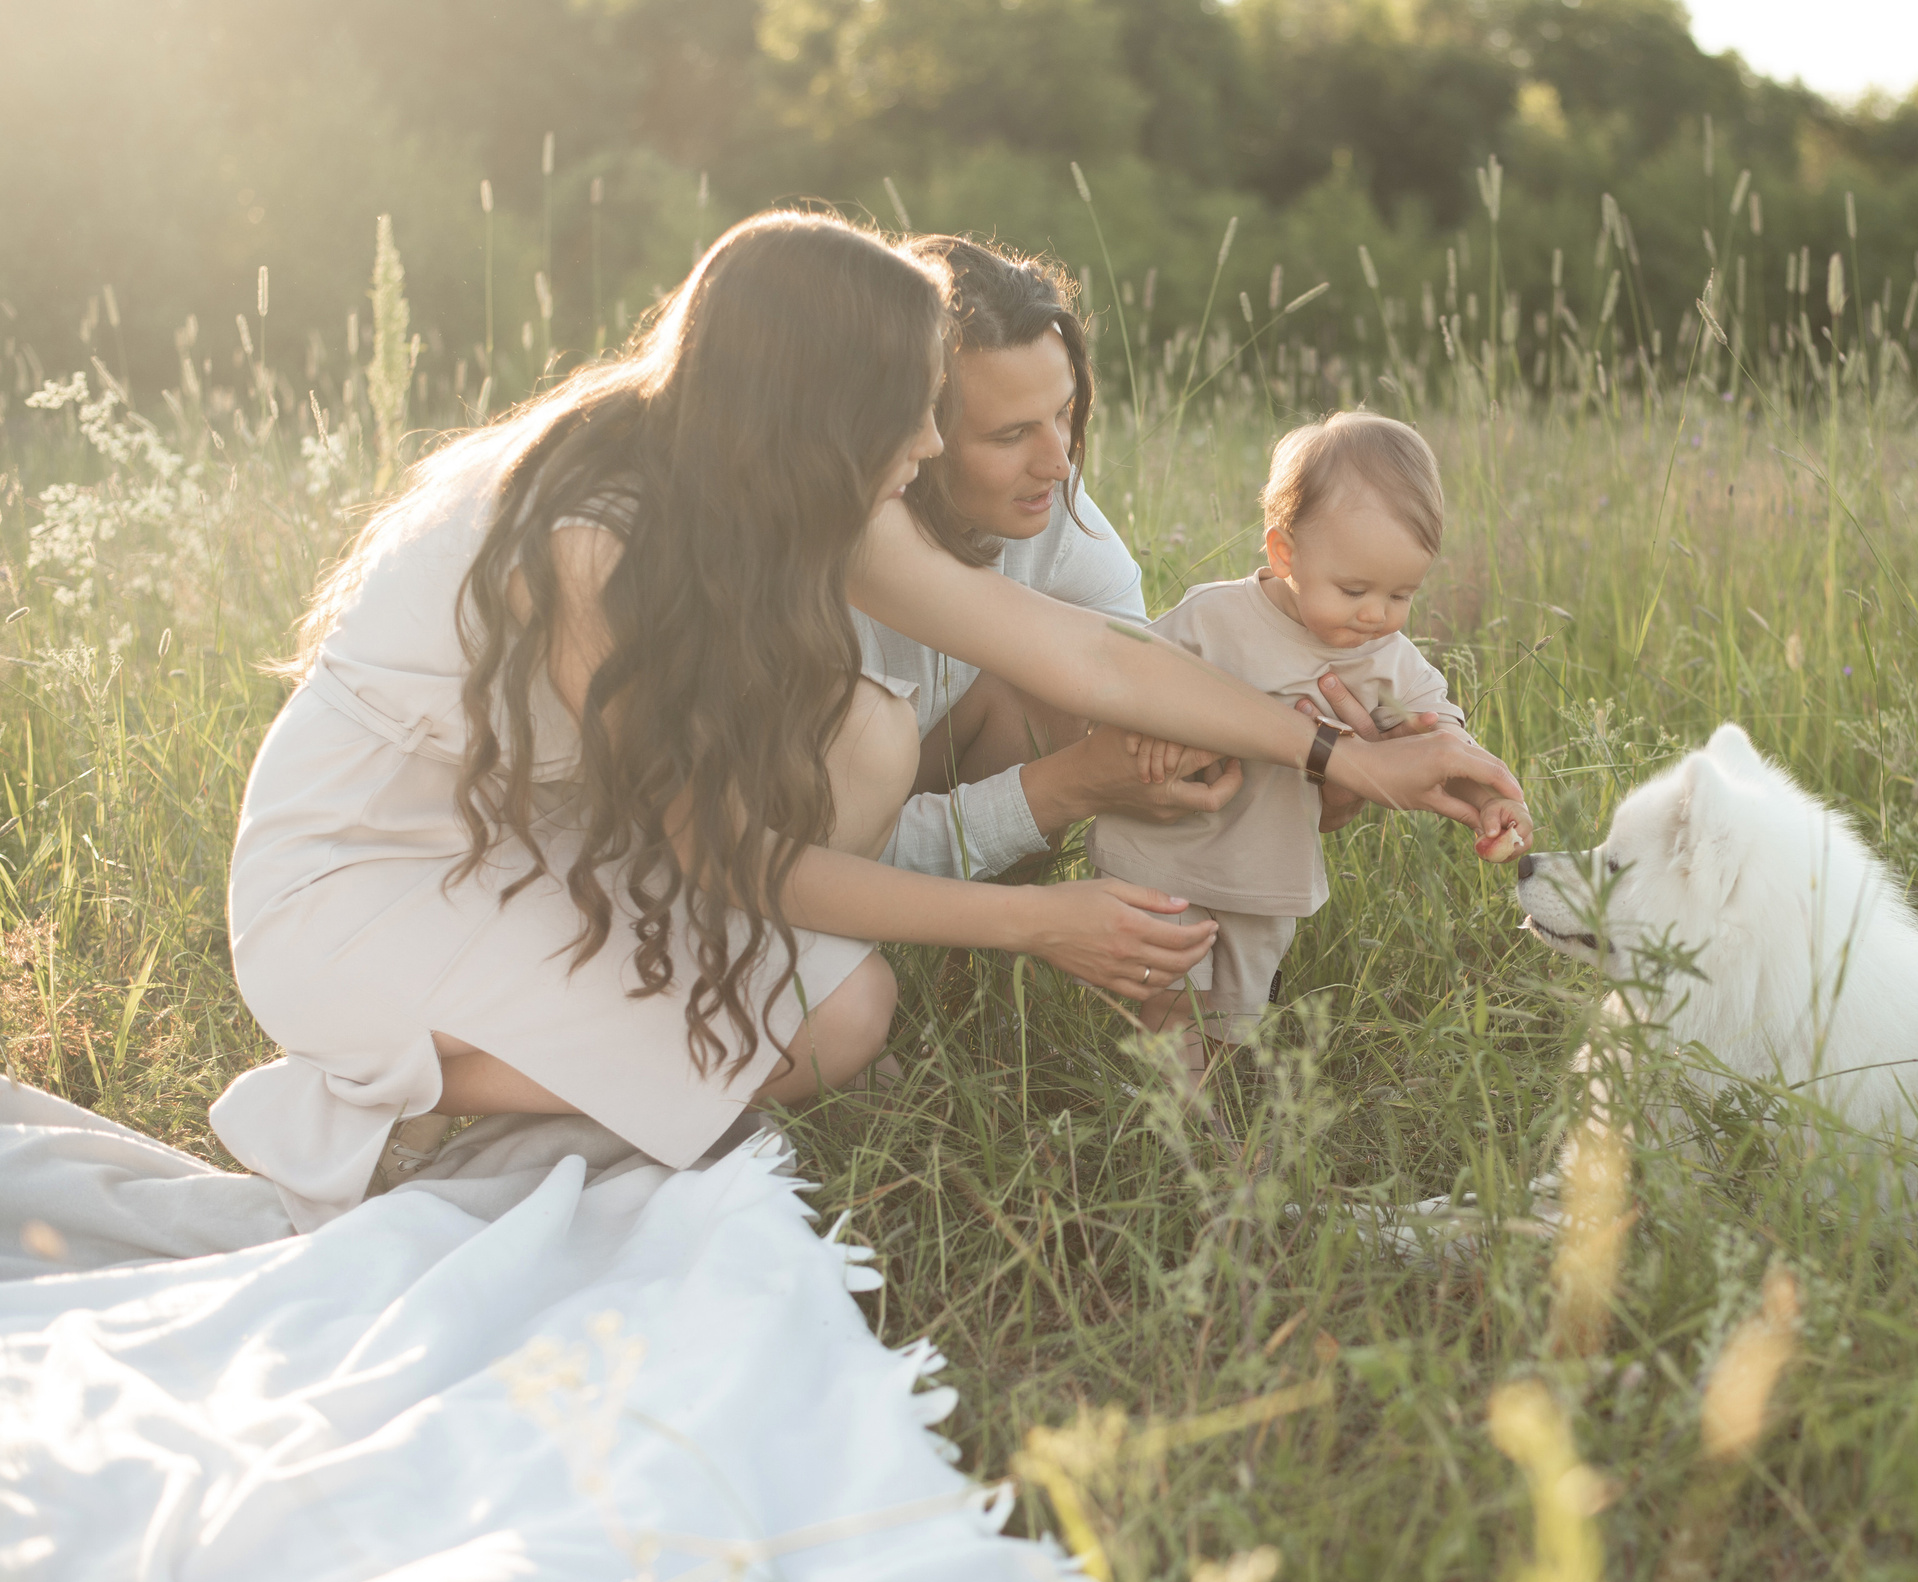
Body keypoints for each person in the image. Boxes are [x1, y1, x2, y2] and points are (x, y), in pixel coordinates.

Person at [213, 210, 1517, 1229]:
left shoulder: (796, 489)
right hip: (370, 877)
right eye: (913, 405)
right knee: (828, 1014)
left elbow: (1080, 654)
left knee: (842, 1015)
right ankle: (385, 1097)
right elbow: (731, 863)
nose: (925, 440)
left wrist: (1349, 754)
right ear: (825, 405)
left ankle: (561, 1072)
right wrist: (1036, 922)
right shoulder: (593, 543)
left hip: (544, 847)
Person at [1087, 412, 1533, 1100]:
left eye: (1401, 594)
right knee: (1167, 1003)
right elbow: (1132, 676)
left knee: (1232, 1018)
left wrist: (1487, 797)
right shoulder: (1214, 618)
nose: (1375, 615)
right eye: (1354, 590)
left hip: (1265, 872)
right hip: (1164, 848)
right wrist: (1149, 727)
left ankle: (1209, 1109)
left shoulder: (1383, 657)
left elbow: (1438, 732)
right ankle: (1187, 1133)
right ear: (1286, 553)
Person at [865, 234, 1242, 885]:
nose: (1059, 461)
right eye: (1010, 434)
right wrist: (1063, 788)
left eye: (1063, 413)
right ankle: (1002, 929)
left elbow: (1139, 680)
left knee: (1055, 697)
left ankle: (978, 981)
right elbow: (810, 863)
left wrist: (1311, 751)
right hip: (807, 850)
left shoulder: (1048, 505)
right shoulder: (833, 545)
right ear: (911, 424)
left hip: (898, 799)